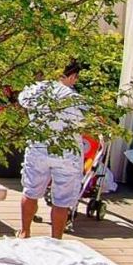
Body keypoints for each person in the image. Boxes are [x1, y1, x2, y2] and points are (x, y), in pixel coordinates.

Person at [17, 61, 88, 238]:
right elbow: (84, 124)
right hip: (66, 152)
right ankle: (56, 239)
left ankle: (25, 231)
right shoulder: (75, 99)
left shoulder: (33, 89)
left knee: (31, 191)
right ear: (72, 77)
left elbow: (22, 102)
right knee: (61, 201)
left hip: (38, 147)